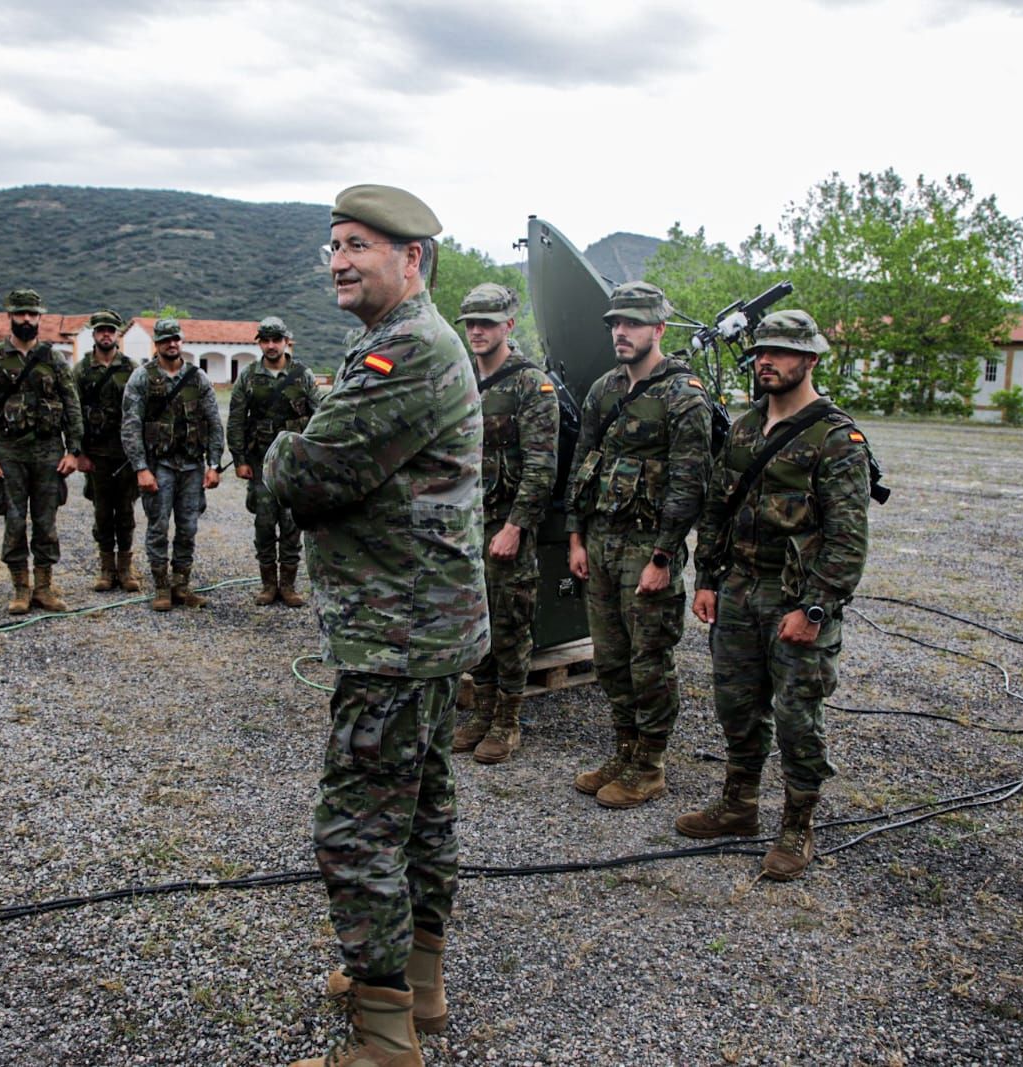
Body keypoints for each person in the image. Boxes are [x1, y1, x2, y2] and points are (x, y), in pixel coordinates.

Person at [270, 185, 486, 1067]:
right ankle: (414, 983)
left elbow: (310, 476)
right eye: (335, 244)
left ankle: (384, 1036)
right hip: (420, 627)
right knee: (422, 806)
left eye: (361, 244)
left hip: (397, 635)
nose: (341, 259)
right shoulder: (390, 342)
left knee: (358, 823)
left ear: (413, 259)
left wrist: (284, 449)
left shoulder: (408, 350)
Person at [677, 309, 872, 882]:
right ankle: (738, 805)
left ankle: (797, 825)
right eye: (762, 351)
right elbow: (715, 508)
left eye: (782, 352)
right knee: (735, 706)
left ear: (809, 360)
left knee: (796, 717)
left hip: (795, 602)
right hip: (738, 593)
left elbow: (846, 539)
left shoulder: (837, 438)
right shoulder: (742, 428)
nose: (767, 360)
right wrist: (708, 578)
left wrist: (815, 609)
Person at [565, 280, 713, 809]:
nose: (621, 332)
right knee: (610, 657)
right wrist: (576, 536)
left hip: (648, 548)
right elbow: (582, 464)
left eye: (631, 324)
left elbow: (690, 483)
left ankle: (649, 765)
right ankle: (624, 749)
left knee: (648, 659)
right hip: (601, 542)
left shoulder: (684, 395)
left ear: (659, 330)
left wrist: (664, 557)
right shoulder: (604, 389)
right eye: (615, 324)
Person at [450, 283, 559, 764]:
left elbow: (542, 465)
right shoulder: (460, 379)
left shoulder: (530, 384)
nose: (477, 331)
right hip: (465, 524)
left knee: (510, 621)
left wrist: (516, 526)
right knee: (474, 617)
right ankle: (483, 707)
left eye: (487, 323)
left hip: (507, 524)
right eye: (471, 323)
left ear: (508, 326)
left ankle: (507, 720)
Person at [0, 287, 82, 614]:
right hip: (9, 453)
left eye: (33, 314)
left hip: (48, 452)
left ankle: (44, 587)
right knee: (15, 521)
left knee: (46, 522)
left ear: (39, 317)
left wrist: (73, 450)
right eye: (21, 314)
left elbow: (71, 406)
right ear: (11, 317)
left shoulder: (54, 360)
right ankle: (20, 588)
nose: (27, 319)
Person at [120, 317, 223, 611]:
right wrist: (141, 468)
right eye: (165, 340)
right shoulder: (142, 378)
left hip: (191, 466)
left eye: (176, 338)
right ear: (157, 344)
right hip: (159, 465)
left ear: (181, 340)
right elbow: (131, 425)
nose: (172, 344)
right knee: (158, 526)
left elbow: (214, 423)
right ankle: (161, 587)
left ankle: (181, 585)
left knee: (188, 527)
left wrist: (214, 464)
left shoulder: (197, 378)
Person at [226, 315, 320, 606]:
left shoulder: (303, 375)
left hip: (294, 464)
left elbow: (319, 416)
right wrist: (239, 458)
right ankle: (268, 585)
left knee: (292, 523)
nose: (270, 345)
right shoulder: (249, 376)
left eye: (275, 340)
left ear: (286, 342)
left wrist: (315, 458)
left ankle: (289, 586)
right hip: (261, 463)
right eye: (265, 340)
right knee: (265, 523)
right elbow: (237, 420)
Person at [73, 309, 141, 593]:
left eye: (111, 330)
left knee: (125, 512)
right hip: (97, 454)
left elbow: (141, 411)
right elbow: (72, 412)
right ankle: (106, 568)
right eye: (101, 330)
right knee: (102, 513)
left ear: (117, 334)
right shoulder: (81, 370)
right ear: (94, 333)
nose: (106, 334)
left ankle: (125, 569)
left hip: (125, 455)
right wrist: (78, 452)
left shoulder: (132, 368)